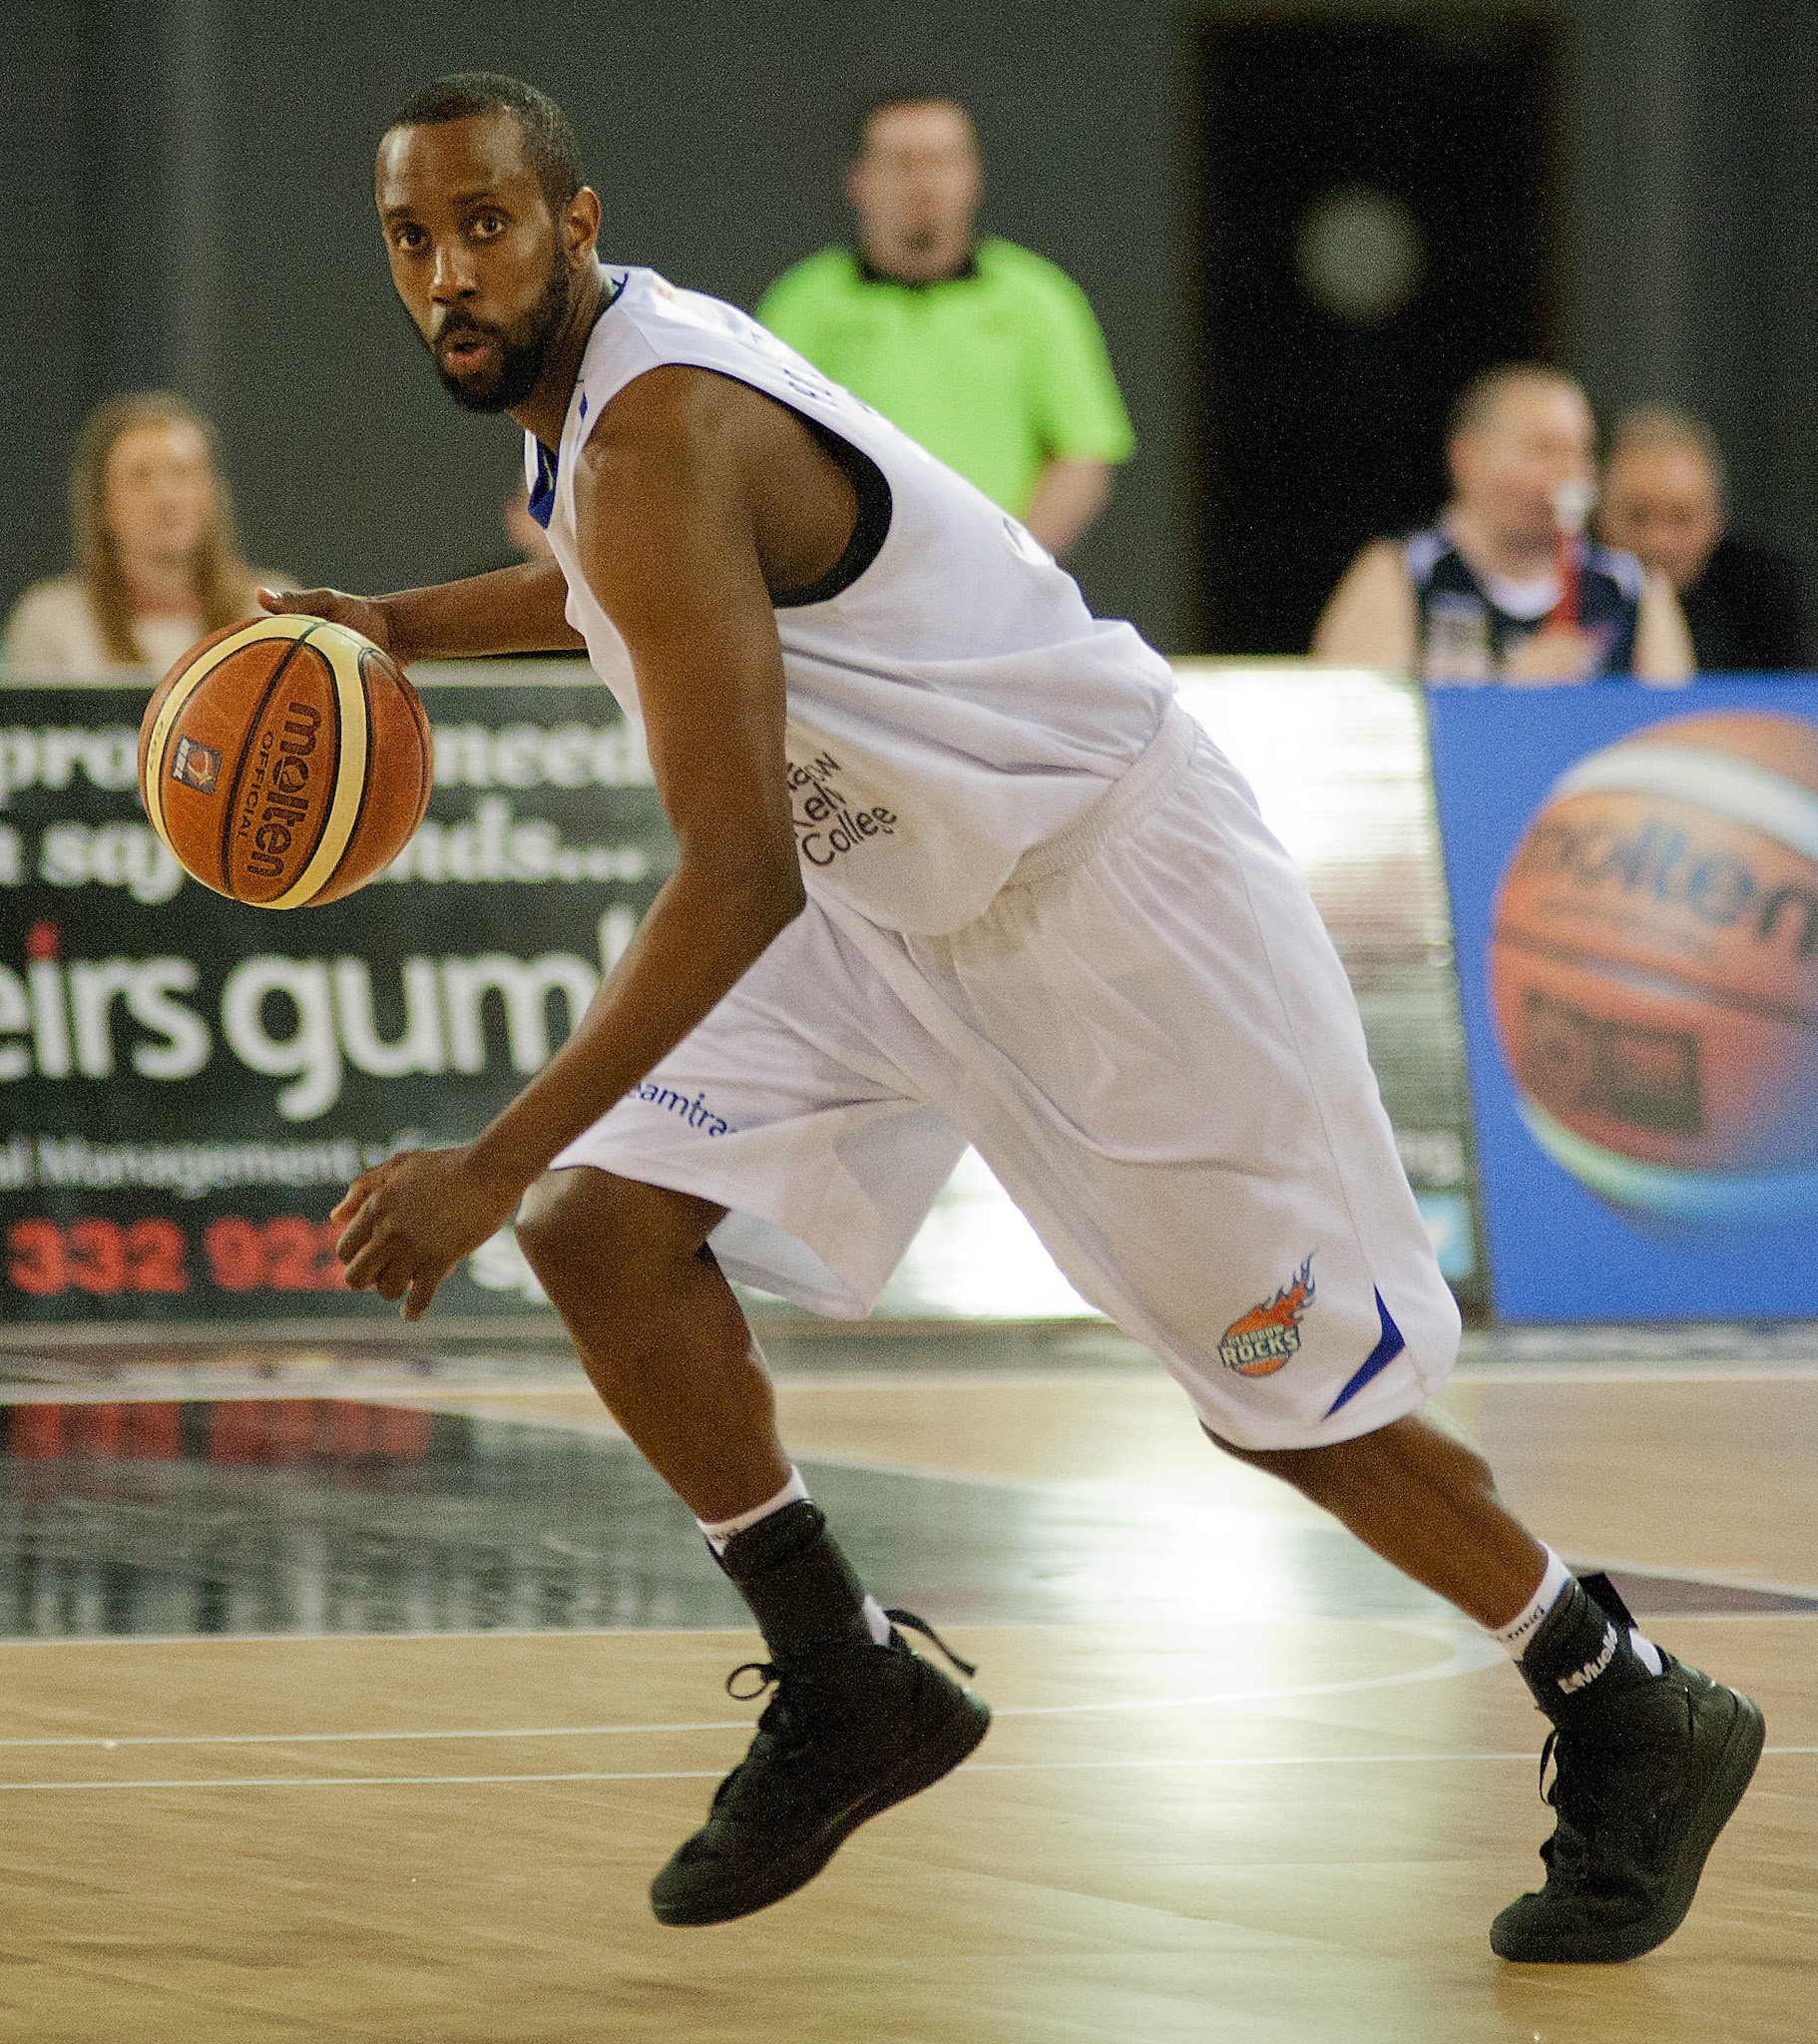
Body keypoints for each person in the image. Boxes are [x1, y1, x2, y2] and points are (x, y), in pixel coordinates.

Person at [262, 74, 1761, 1956]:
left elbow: (734, 880)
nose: (447, 273)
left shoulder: (655, 434)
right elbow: (626, 600)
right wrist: (391, 626)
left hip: (1108, 896)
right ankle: (847, 1673)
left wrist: (485, 1157)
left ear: (572, 222)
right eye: (412, 238)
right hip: (901, 893)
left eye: (484, 223)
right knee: (606, 1228)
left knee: (1281, 1404)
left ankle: (1619, 1689)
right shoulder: (609, 425)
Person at [756, 94, 1133, 560]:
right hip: (855, 594)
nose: (924, 183)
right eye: (902, 163)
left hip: (1002, 589)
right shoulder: (803, 302)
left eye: (941, 162)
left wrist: (1010, 562)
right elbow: (769, 455)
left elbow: (1083, 452)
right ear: (860, 180)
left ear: (972, 176)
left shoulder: (1038, 297)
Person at [1311, 364, 1693, 685]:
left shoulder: (1631, 588)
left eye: (1581, 452)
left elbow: (1670, 738)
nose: (1569, 473)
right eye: (1543, 450)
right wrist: (1506, 689)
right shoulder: (1402, 573)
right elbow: (1362, 731)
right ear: (1467, 458)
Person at [2, 392, 288, 675]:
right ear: (103, 504)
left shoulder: (269, 611)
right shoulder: (51, 622)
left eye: (183, 473)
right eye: (140, 477)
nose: (167, 497)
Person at [1598, 404, 1807, 672]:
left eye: (1681, 518)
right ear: (1601, 516)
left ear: (1715, 520)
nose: (1658, 541)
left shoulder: (1764, 593)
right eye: (1638, 516)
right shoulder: (1571, 591)